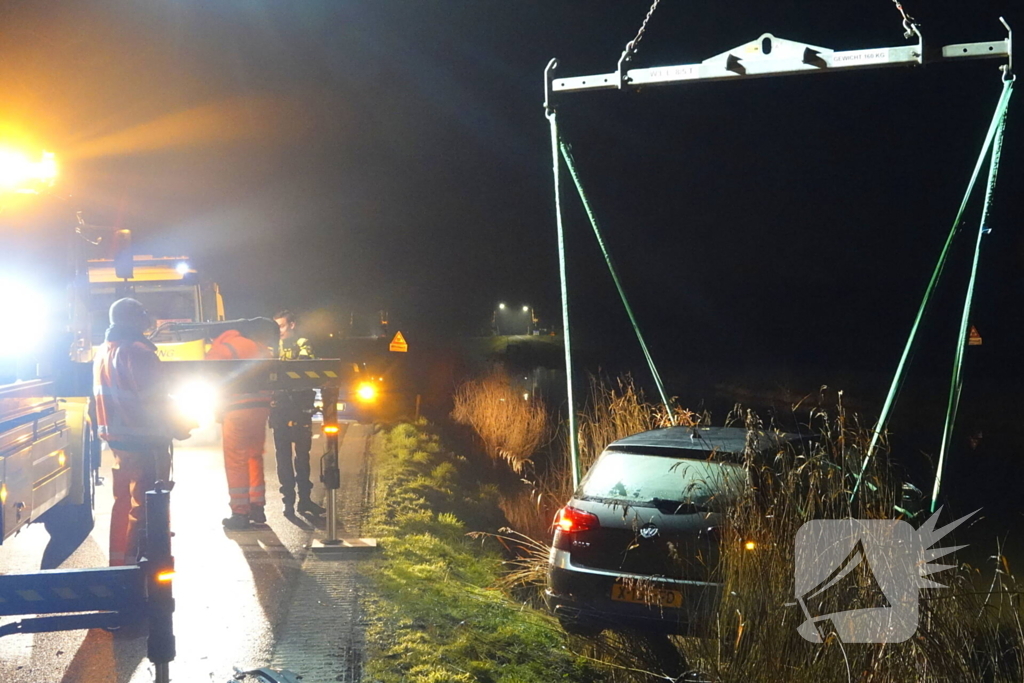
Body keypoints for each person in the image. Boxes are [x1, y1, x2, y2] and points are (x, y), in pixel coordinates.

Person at [93, 298, 183, 566]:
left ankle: (119, 564)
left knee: (123, 505)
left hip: (119, 440)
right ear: (133, 318)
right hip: (144, 439)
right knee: (145, 509)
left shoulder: (105, 350)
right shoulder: (138, 352)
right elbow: (155, 400)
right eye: (142, 313)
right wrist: (181, 424)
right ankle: (136, 572)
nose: (147, 317)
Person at [206, 320, 277, 530]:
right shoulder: (255, 345)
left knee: (236, 459)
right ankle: (257, 507)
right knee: (254, 455)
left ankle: (240, 512)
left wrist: (216, 409)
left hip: (236, 408)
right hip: (260, 407)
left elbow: (212, 382)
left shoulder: (220, 349)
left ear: (214, 336)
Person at [270, 310, 325, 517]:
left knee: (302, 457)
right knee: (282, 458)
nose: (279, 331)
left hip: (300, 409)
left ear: (292, 325)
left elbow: (305, 365)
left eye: (282, 326)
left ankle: (304, 500)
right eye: (276, 328)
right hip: (280, 409)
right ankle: (288, 503)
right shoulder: (271, 347)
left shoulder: (303, 343)